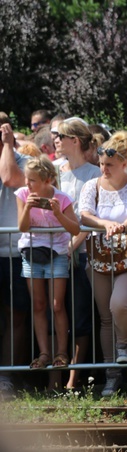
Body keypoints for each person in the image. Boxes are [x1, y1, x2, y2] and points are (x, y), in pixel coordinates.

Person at [79, 132, 127, 396]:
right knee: (105, 318)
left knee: (119, 303)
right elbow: (85, 215)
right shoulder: (93, 186)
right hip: (99, 258)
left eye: (108, 164)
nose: (103, 169)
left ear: (123, 162)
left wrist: (122, 226)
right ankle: (112, 375)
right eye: (101, 164)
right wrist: (106, 224)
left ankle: (124, 347)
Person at [16, 156, 79, 371]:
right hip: (31, 254)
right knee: (39, 305)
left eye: (32, 180)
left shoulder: (62, 198)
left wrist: (58, 213)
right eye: (27, 179)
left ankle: (62, 352)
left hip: (57, 253)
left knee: (57, 305)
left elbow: (75, 229)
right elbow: (22, 227)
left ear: (46, 181)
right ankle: (44, 353)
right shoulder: (22, 195)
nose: (27, 184)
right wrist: (27, 208)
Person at [55, 117, 102, 389]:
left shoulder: (94, 173)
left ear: (75, 140)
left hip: (82, 252)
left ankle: (74, 378)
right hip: (55, 253)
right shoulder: (56, 170)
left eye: (61, 135)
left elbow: (88, 217)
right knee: (57, 311)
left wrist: (71, 246)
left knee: (81, 314)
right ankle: (56, 376)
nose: (56, 139)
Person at [0, 122, 31, 396]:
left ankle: (7, 377)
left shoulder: (27, 162)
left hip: (15, 252)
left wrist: (8, 146)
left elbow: (11, 178)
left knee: (16, 316)